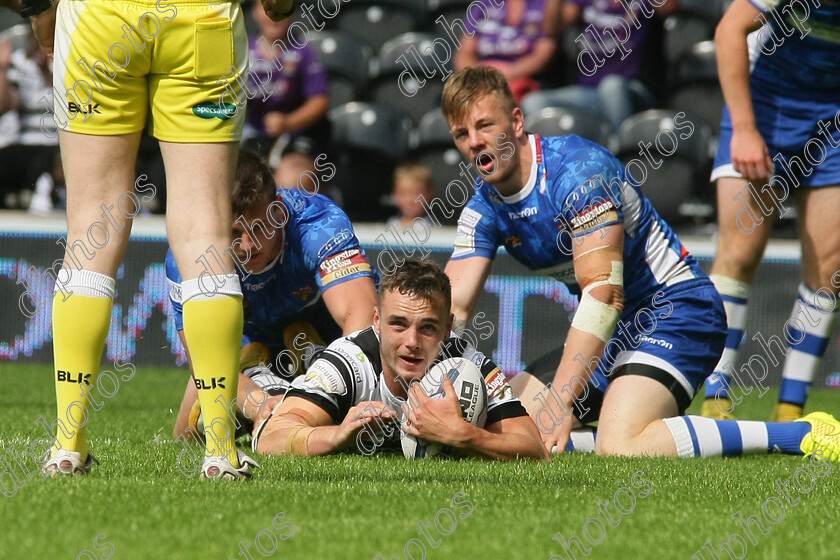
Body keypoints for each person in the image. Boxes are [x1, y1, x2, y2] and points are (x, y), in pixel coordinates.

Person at [440, 66, 840, 460]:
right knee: (508, 427)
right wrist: (410, 384)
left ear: (515, 120)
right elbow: (452, 308)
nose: (475, 142)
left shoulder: (578, 172)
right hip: (614, 333)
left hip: (678, 310)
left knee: (620, 443)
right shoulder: (482, 209)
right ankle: (591, 434)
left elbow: (604, 293)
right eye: (462, 134)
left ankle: (797, 433)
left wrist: (560, 402)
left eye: (485, 126)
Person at [28, 0, 295, 479]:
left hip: (98, 20)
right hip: (202, 21)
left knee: (93, 228)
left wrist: (39, 11)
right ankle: (220, 451)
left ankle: (68, 445)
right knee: (206, 233)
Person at [167, 150, 378, 441]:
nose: (249, 245)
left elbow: (362, 326)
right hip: (244, 340)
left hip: (328, 332)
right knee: (188, 433)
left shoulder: (318, 224)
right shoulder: (189, 253)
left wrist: (321, 397)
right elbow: (202, 362)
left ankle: (310, 361)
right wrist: (259, 405)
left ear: (277, 210)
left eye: (260, 226)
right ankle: (256, 369)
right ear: (212, 223)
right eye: (233, 232)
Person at [252, 259, 547, 461]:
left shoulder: (470, 366)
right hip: (296, 388)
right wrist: (336, 435)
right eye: (398, 324)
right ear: (377, 322)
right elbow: (269, 438)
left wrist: (466, 436)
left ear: (447, 329)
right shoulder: (348, 362)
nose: (412, 342)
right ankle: (256, 372)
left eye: (428, 328)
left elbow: (536, 451)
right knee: (266, 403)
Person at [699, 0, 840, 423]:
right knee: (739, 254)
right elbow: (729, 31)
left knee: (830, 268)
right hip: (764, 103)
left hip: (832, 119)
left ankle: (789, 411)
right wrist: (744, 129)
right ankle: (714, 401)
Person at [520, 0, 676, 130]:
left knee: (611, 86)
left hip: (634, 90)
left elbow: (669, 7)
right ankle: (562, 161)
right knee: (534, 101)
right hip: (589, 93)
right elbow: (553, 30)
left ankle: (622, 155)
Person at [243, 2, 330, 161]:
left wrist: (289, 122)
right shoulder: (243, 51)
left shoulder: (303, 51)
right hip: (251, 134)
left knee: (292, 176)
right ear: (255, 12)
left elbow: (319, 101)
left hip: (293, 138)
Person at [453, 0, 559, 103]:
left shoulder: (545, 5)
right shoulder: (484, 4)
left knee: (532, 103)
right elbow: (464, 53)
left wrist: (501, 77)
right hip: (482, 78)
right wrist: (477, 78)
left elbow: (542, 55)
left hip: (524, 79)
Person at [386, 161, 435, 231]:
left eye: (416, 193)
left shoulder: (435, 229)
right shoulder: (387, 226)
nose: (410, 200)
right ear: (394, 194)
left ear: (429, 193)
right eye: (403, 193)